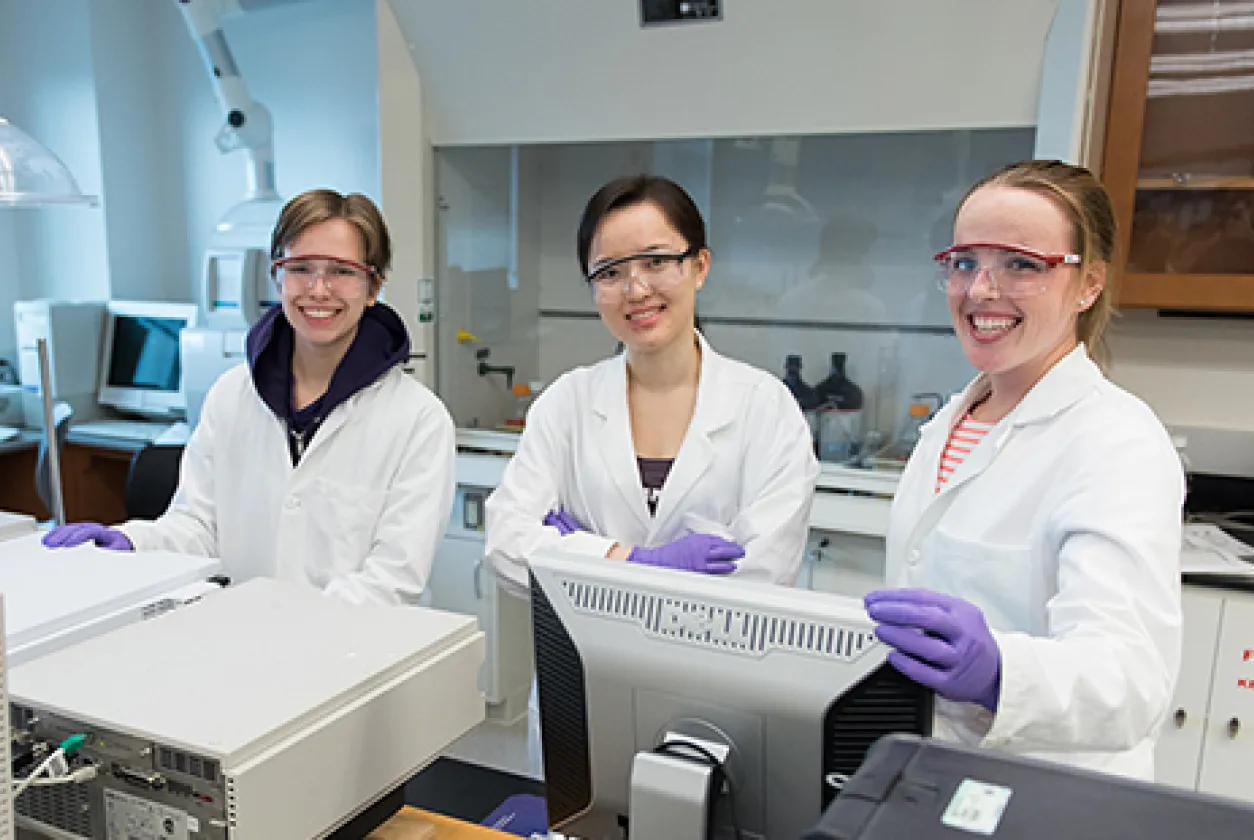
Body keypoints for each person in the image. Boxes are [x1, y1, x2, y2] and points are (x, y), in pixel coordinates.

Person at [864, 160, 1184, 781]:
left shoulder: (1117, 442)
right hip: (936, 768)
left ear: (1089, 284)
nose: (981, 290)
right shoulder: (953, 421)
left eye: (1020, 264)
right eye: (964, 262)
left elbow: (1130, 680)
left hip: (1052, 793)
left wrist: (998, 672)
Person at [42, 189, 456, 606]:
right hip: (241, 642)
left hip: (356, 653)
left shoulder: (417, 419)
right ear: (277, 278)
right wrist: (129, 540)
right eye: (300, 268)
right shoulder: (232, 395)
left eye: (341, 271)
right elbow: (198, 527)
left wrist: (283, 626)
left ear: (373, 287)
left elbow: (392, 580)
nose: (318, 289)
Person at [485, 174, 820, 592]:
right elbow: (505, 546)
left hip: (711, 656)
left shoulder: (765, 407)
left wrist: (577, 553)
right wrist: (635, 560)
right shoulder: (567, 403)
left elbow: (763, 574)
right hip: (585, 657)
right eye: (609, 271)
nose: (636, 289)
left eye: (656, 262)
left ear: (700, 267)